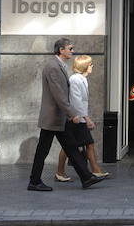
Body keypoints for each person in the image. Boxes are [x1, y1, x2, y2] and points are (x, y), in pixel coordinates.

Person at [27, 38, 104, 191]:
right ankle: (34, 181)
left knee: (71, 147)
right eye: (70, 48)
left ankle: (86, 177)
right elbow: (59, 95)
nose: (72, 51)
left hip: (59, 118)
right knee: (44, 150)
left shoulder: (58, 66)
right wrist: (72, 113)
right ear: (61, 50)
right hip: (53, 118)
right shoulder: (53, 67)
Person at [54, 55, 109, 182]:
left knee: (73, 145)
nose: (92, 66)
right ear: (85, 66)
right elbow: (76, 101)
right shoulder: (75, 80)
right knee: (82, 144)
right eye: (90, 65)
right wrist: (87, 118)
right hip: (76, 118)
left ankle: (61, 172)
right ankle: (94, 171)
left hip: (79, 117)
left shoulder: (82, 79)